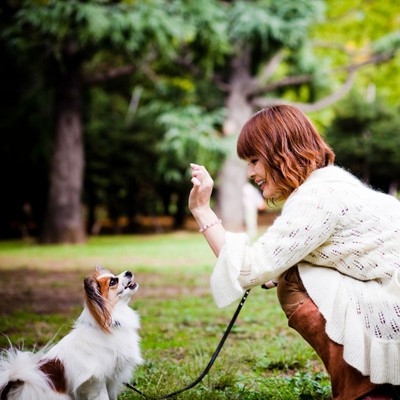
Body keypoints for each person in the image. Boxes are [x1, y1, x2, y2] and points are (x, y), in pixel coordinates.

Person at [188, 104, 400, 400]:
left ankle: (368, 393)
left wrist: (200, 209)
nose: (250, 172)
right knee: (292, 272)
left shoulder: (317, 197)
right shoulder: (330, 182)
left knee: (292, 281)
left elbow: (249, 270)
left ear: (279, 152)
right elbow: (269, 268)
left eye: (253, 160)